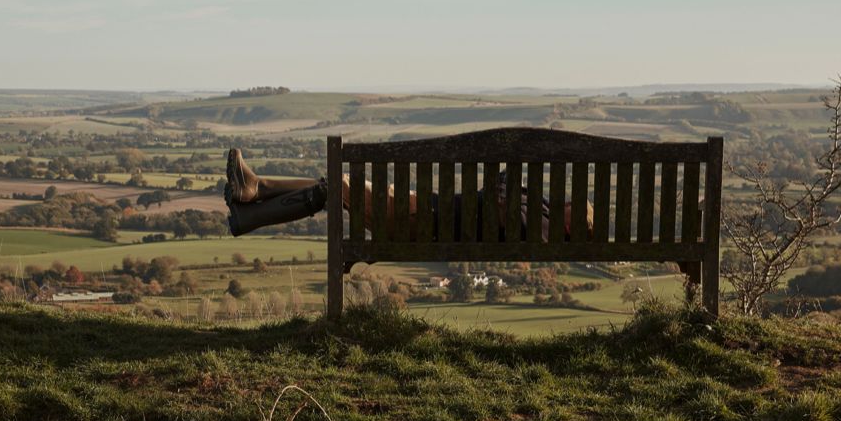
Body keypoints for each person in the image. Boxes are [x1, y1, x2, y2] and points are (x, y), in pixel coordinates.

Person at [223, 147, 589, 240]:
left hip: (421, 221)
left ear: (572, 229)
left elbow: (496, 201)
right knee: (334, 186)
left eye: (575, 209)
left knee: (337, 186)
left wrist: (512, 189)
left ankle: (253, 198)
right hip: (422, 211)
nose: (568, 203)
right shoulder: (541, 213)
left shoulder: (541, 228)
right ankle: (251, 202)